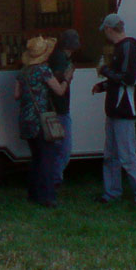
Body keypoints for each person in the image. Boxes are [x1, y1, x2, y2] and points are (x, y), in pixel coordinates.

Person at [92, 13, 136, 205]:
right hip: (117, 109)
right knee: (111, 154)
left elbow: (129, 78)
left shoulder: (127, 47)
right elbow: (123, 78)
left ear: (109, 29)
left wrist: (104, 71)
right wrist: (103, 86)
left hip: (124, 109)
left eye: (105, 30)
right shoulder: (125, 47)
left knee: (126, 155)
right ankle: (112, 193)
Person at [14, 36, 71, 208]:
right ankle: (47, 196)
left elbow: (16, 95)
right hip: (41, 120)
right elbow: (59, 91)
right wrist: (67, 79)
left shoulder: (23, 72)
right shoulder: (44, 70)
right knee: (47, 157)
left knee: (36, 157)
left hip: (26, 118)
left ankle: (33, 193)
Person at [48, 29, 81, 187]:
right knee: (64, 148)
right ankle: (55, 179)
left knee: (56, 147)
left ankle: (53, 178)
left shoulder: (56, 56)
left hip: (54, 108)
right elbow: (58, 84)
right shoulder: (61, 58)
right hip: (59, 108)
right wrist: (67, 78)